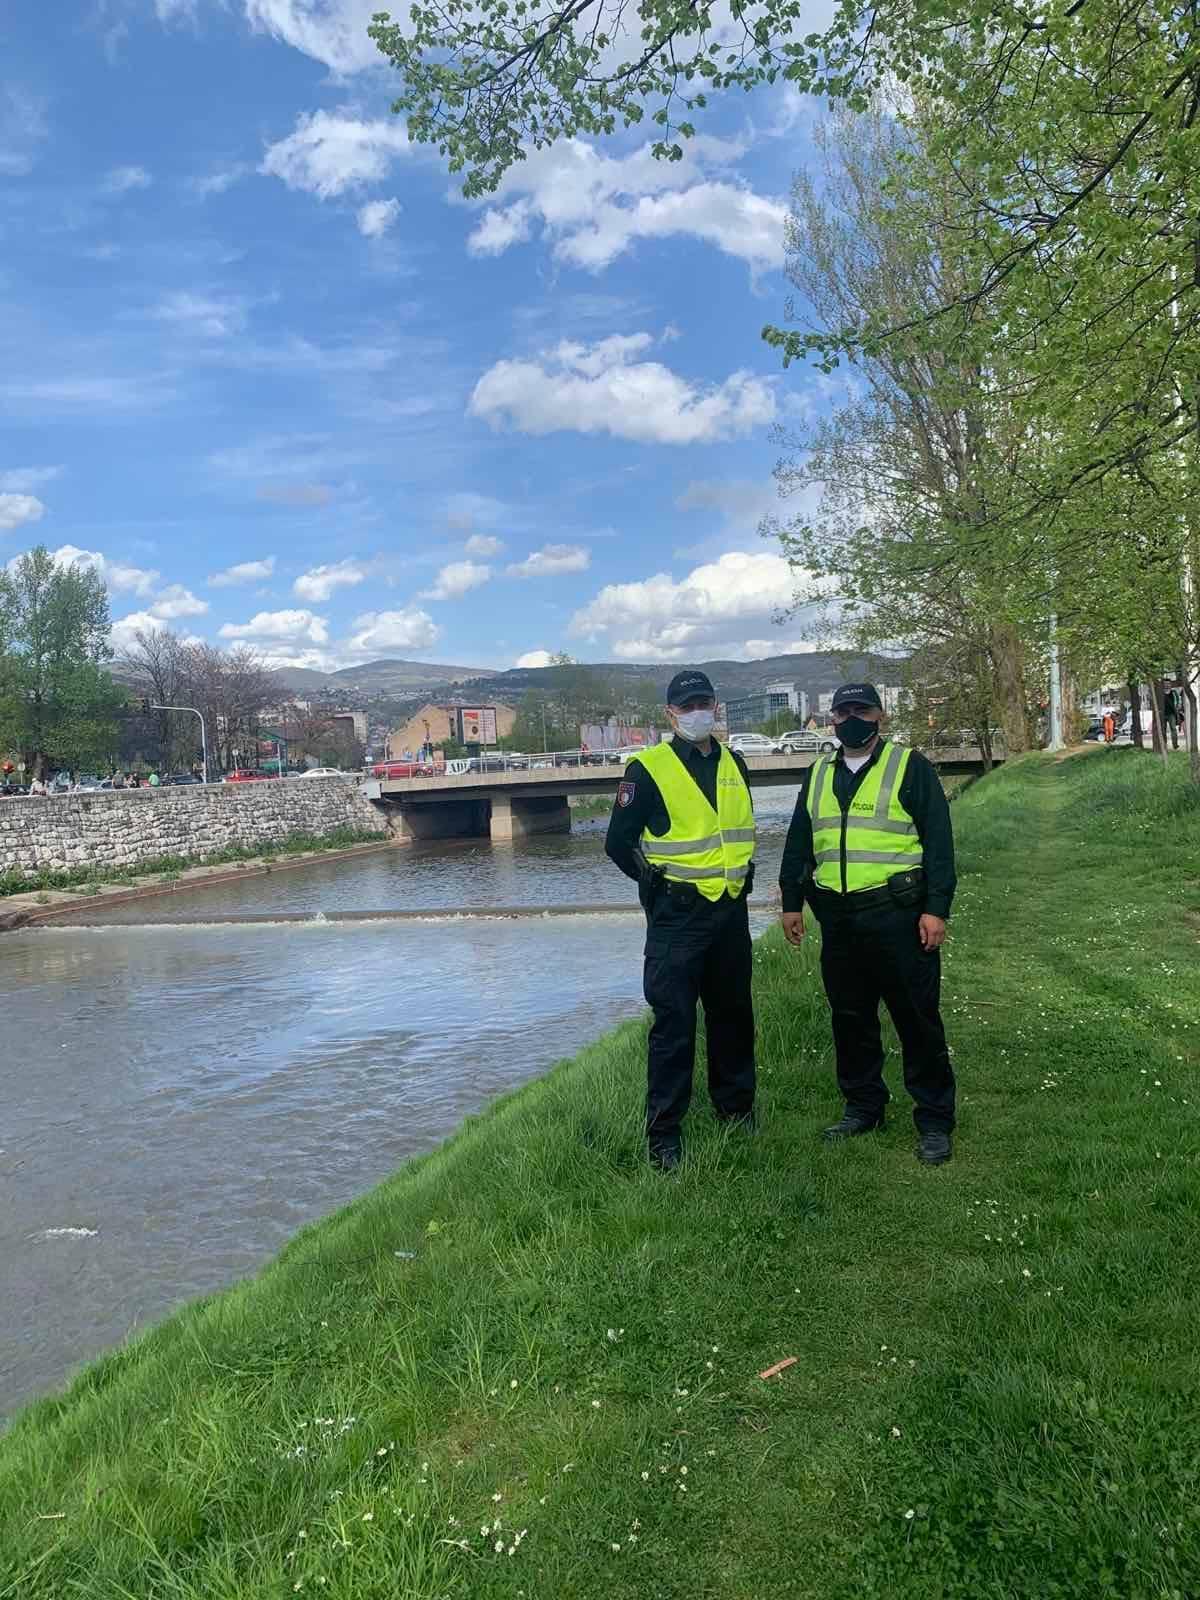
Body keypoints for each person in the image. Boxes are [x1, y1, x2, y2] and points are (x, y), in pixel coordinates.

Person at [779, 683, 958, 1165]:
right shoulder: (817, 774)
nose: (852, 718)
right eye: (843, 712)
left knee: (916, 1021)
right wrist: (791, 901)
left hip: (897, 916)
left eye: (862, 710)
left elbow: (939, 844)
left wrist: (936, 909)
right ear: (831, 719)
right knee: (851, 1019)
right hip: (838, 920)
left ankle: (935, 1120)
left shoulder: (908, 767)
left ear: (880, 716)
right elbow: (799, 842)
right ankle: (863, 1106)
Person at [605, 669, 756, 1171]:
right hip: (678, 917)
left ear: (716, 707)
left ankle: (735, 1110)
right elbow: (618, 843)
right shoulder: (646, 769)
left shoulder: (735, 763)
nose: (698, 712)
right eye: (687, 705)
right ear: (670, 714)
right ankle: (664, 1135)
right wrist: (653, 887)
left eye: (705, 703)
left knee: (733, 1015)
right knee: (673, 1027)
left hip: (730, 910)